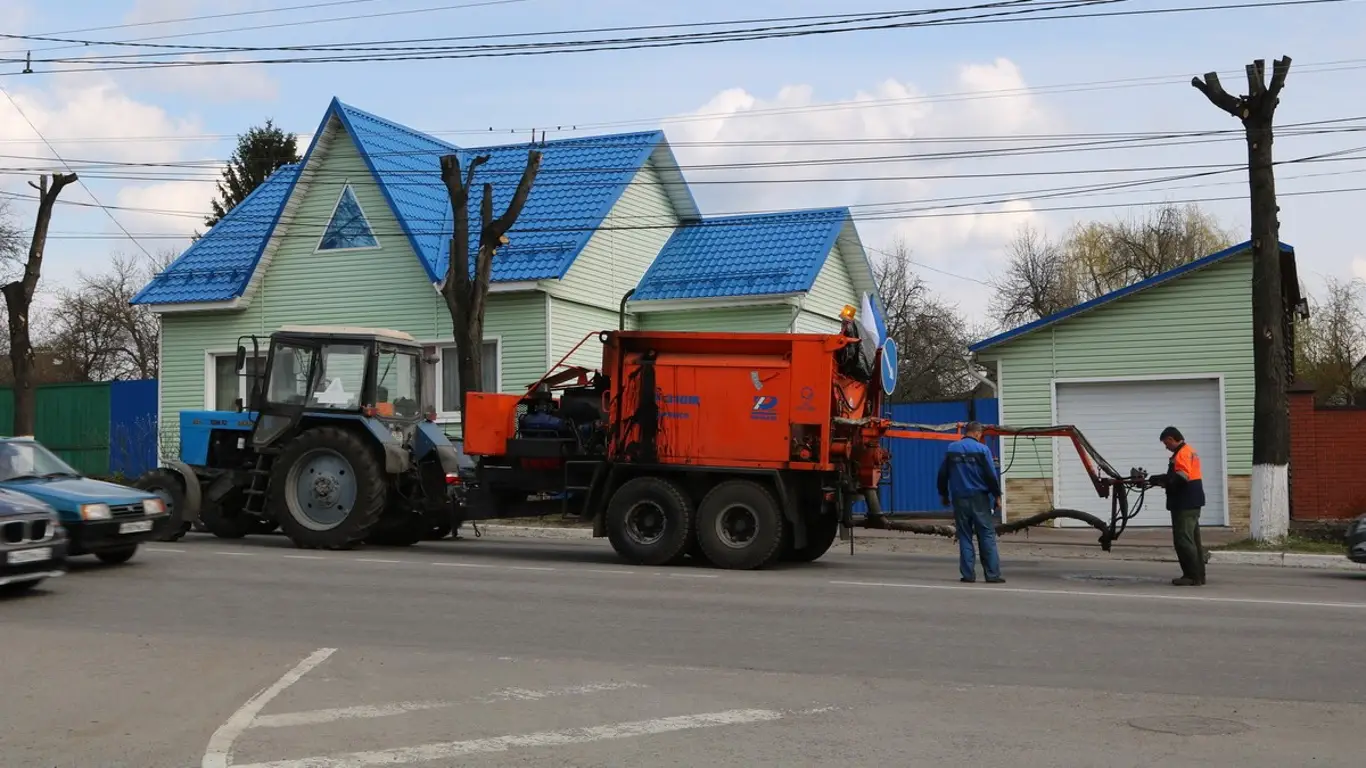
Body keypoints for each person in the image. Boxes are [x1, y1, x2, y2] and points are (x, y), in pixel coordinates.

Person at [937, 421, 1005, 584]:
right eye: (980, 434)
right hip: (979, 498)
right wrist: (997, 495)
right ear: (976, 433)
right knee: (986, 535)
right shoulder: (982, 450)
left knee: (965, 535)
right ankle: (992, 575)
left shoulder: (952, 449)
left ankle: (968, 575)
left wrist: (944, 494)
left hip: (959, 498)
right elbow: (990, 475)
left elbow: (942, 475)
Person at [1148, 426, 1206, 586]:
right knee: (1192, 540)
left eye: (1166, 443)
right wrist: (1162, 479)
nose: (1166, 447)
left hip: (1185, 503)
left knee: (1183, 540)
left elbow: (1181, 477)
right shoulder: (1188, 451)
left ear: (1172, 439)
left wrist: (1164, 480)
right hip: (1192, 501)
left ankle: (1192, 576)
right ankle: (1199, 575)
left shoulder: (1183, 453)